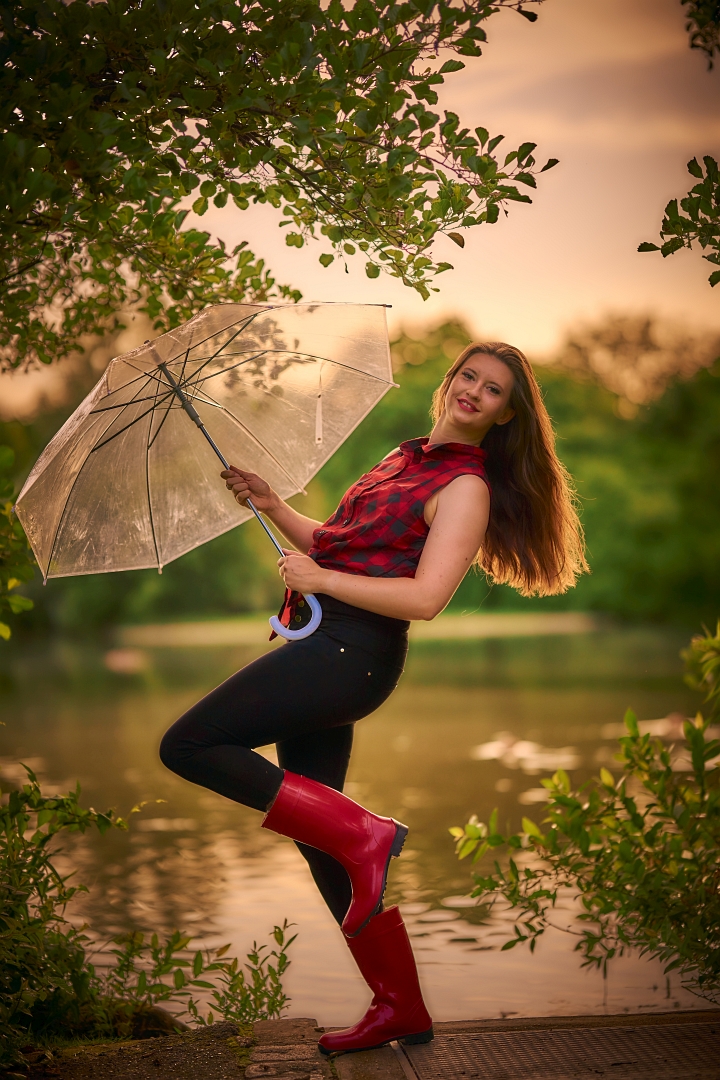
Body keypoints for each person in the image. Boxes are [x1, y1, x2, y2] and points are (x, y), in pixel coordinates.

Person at [159, 341, 587, 1054]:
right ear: (451, 382)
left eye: (493, 390)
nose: (475, 392)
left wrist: (321, 582)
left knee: (190, 744)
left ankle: (367, 833)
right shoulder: (403, 455)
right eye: (469, 377)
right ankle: (401, 1007)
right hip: (320, 643)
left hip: (353, 656)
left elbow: (424, 598)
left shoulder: (467, 488)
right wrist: (272, 504)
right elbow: (335, 543)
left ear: (508, 412)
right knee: (318, 840)